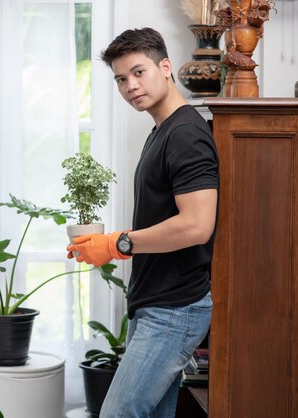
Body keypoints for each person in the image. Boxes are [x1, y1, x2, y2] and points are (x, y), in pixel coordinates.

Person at [66, 27, 218, 418]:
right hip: (156, 304)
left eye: (139, 72)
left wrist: (119, 243)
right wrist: (106, 243)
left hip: (175, 308)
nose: (130, 85)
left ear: (165, 67)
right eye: (120, 78)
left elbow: (197, 225)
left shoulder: (185, 133)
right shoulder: (162, 132)